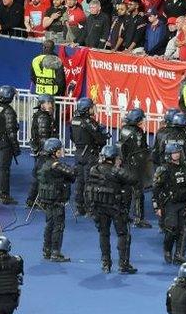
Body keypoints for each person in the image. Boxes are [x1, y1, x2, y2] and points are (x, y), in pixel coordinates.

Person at [86, 145, 137, 274]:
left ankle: (105, 263)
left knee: (104, 234)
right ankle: (123, 264)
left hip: (99, 207)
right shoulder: (116, 171)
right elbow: (133, 179)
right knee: (123, 234)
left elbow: (88, 188)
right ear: (115, 158)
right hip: (116, 208)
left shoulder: (94, 169)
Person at [153, 142, 186, 264]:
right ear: (169, 154)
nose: (177, 155)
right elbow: (156, 190)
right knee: (171, 229)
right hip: (170, 204)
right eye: (174, 153)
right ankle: (167, 250)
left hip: (185, 203)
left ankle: (179, 254)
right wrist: (156, 206)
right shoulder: (163, 170)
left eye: (178, 152)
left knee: (185, 230)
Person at [35, 138, 76, 263]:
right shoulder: (56, 165)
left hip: (46, 199)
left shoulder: (42, 163)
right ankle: (55, 252)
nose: (61, 151)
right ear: (54, 151)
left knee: (49, 224)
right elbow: (72, 173)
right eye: (59, 149)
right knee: (58, 225)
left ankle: (47, 250)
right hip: (57, 199)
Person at [69, 97, 109, 216]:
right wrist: (103, 135)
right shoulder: (90, 123)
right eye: (92, 107)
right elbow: (100, 140)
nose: (93, 109)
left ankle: (79, 207)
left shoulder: (73, 120)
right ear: (87, 109)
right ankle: (90, 209)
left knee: (79, 181)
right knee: (90, 182)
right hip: (89, 154)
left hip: (78, 153)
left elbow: (72, 137)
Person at [117, 108, 151, 229]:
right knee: (138, 192)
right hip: (136, 165)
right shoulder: (138, 132)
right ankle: (138, 218)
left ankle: (124, 216)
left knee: (126, 192)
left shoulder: (124, 129)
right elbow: (141, 149)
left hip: (125, 164)